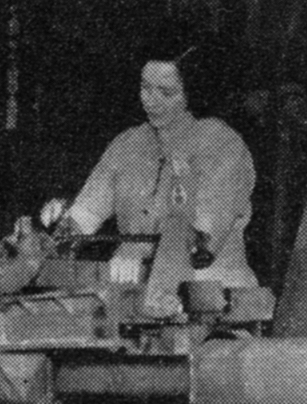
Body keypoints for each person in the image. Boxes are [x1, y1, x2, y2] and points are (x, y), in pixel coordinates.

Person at [41, 50, 257, 289]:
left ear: (192, 93)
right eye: (145, 88)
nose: (150, 100)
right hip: (140, 294)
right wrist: (64, 225)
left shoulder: (222, 145)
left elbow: (202, 242)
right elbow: (88, 213)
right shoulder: (127, 144)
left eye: (166, 92)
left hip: (209, 293)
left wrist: (139, 248)